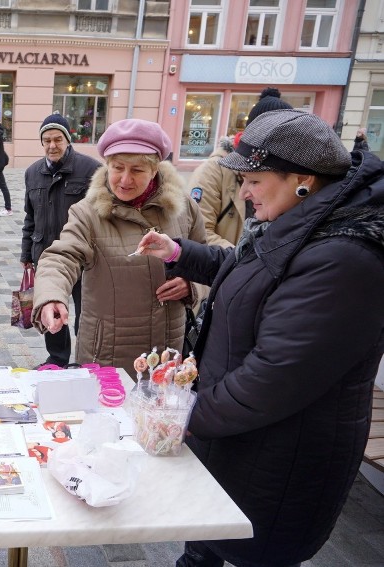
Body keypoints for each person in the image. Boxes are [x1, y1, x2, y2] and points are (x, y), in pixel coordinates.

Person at [136, 109, 384, 567]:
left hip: (282, 456)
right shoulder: (302, 222)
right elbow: (248, 276)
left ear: (302, 180)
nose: (244, 192)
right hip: (235, 431)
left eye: (253, 179)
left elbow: (275, 376)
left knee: (256, 551)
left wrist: (183, 416)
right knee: (204, 538)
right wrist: (179, 252)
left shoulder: (345, 258)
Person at [31, 118, 206, 368]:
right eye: (117, 168)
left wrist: (193, 284)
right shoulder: (87, 212)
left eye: (137, 170)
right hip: (107, 357)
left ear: (155, 170)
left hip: (168, 352)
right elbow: (61, 257)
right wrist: (51, 296)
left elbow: (207, 260)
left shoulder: (184, 207)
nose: (125, 180)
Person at [21, 113, 101, 366]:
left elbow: (101, 215)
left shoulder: (91, 170)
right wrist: (26, 255)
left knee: (85, 314)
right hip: (45, 254)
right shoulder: (33, 172)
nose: (52, 145)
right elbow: (29, 217)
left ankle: (86, 359)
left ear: (68, 140)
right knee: (50, 308)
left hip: (82, 257)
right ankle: (57, 359)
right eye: (47, 140)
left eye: (57, 139)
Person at [188, 136, 245, 248]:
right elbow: (199, 232)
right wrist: (240, 258)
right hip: (224, 261)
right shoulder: (211, 170)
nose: (245, 192)